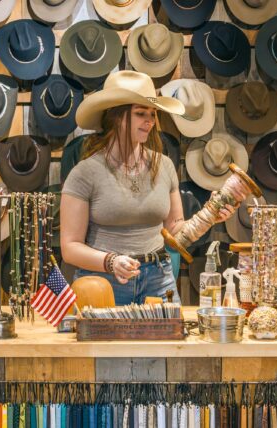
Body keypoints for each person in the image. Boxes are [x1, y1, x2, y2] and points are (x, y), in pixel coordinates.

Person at [60, 71, 237, 305]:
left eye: (153, 114)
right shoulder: (86, 172)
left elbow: (175, 230)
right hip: (104, 283)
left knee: (167, 341)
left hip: (158, 279)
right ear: (117, 116)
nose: (151, 121)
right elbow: (70, 248)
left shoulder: (163, 166)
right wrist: (111, 262)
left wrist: (210, 215)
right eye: (141, 113)